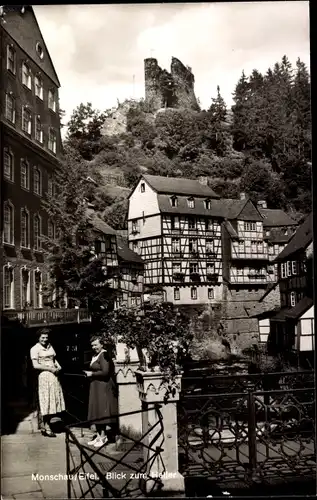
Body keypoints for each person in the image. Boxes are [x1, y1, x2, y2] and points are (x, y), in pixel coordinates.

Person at [84, 335, 118, 448]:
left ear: (101, 344)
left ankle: (103, 436)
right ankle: (98, 436)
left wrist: (92, 374)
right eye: (92, 345)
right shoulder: (95, 355)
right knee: (96, 410)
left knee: (102, 410)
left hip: (103, 386)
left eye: (96, 345)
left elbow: (105, 372)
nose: (94, 347)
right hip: (96, 386)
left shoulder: (103, 355)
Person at [30, 328, 65, 437]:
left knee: (53, 401)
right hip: (44, 376)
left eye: (46, 337)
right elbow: (35, 365)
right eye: (42, 337)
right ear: (38, 338)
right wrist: (50, 369)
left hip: (54, 377)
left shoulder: (50, 346)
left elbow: (53, 359)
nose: (45, 339)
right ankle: (46, 427)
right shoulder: (35, 349)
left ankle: (46, 425)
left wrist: (58, 366)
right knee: (46, 401)